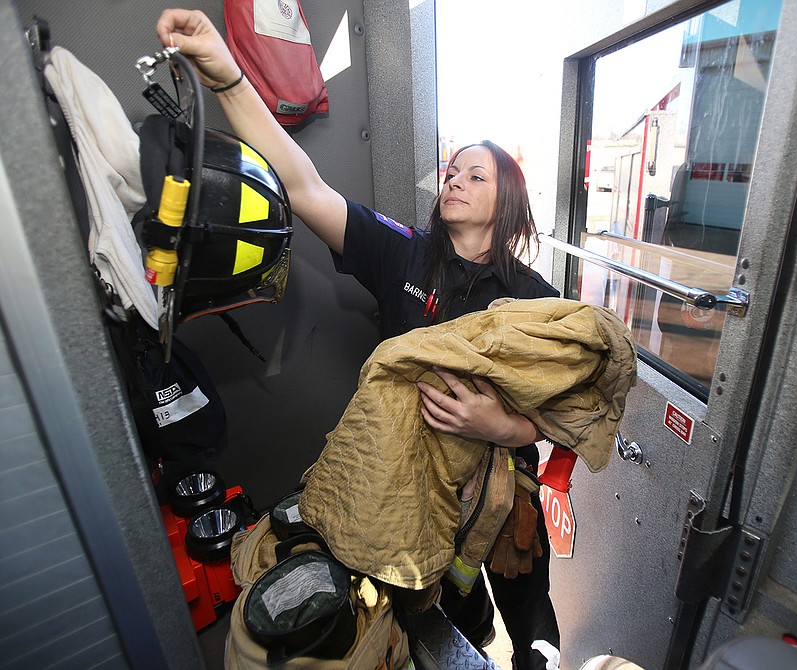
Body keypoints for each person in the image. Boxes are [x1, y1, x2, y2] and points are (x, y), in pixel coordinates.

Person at [156, 9, 560, 669]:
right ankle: (471, 627)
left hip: (499, 489)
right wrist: (225, 74)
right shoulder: (403, 254)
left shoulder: (537, 300)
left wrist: (505, 427)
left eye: (475, 175)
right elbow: (303, 185)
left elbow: (572, 407)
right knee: (444, 616)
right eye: (452, 171)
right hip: (413, 489)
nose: (454, 179)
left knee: (534, 636)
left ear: (508, 200)